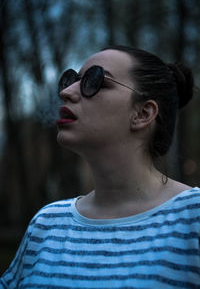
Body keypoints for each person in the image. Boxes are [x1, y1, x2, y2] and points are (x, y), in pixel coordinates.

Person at [1, 45, 200, 288]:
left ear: (143, 113)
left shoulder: (193, 218)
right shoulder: (47, 223)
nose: (67, 92)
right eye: (70, 80)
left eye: (94, 80)